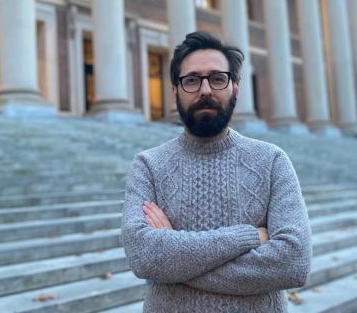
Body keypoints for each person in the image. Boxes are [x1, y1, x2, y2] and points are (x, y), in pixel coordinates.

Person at [120, 31, 312, 312]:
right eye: (192, 80)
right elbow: (144, 258)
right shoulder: (148, 165)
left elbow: (293, 263)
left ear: (235, 87)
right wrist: (249, 237)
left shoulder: (272, 161)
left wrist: (177, 264)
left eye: (218, 78)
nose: (205, 90)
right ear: (175, 90)